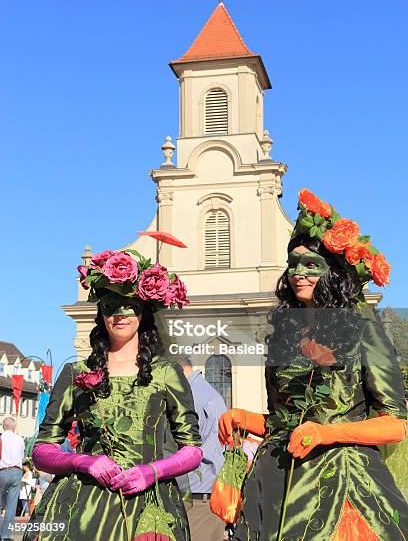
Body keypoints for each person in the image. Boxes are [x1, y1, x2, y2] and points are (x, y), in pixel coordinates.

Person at [219, 189, 408, 540]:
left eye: (311, 265)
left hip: (343, 486)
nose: (298, 273)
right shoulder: (283, 336)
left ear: (333, 272)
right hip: (278, 485)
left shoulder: (363, 328)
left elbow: (396, 424)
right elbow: (282, 422)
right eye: (293, 264)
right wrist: (244, 418)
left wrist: (329, 432)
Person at [23, 247, 202, 540]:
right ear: (100, 312)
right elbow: (42, 450)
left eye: (129, 305)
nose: (120, 314)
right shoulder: (74, 373)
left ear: (143, 312)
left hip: (149, 508)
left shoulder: (165, 372)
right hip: (82, 509)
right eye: (110, 305)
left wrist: (151, 472)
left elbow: (192, 449)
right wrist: (82, 461)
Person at [175, 354, 227, 540]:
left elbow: (212, 453)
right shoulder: (201, 393)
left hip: (199, 498)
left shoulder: (195, 396)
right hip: (197, 496)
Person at [0, 416, 25, 539]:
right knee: (11, 506)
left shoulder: (1, 438)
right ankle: (6, 535)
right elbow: (21, 456)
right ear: (14, 427)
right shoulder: (20, 439)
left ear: (3, 427)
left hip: (2, 471)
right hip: (16, 472)